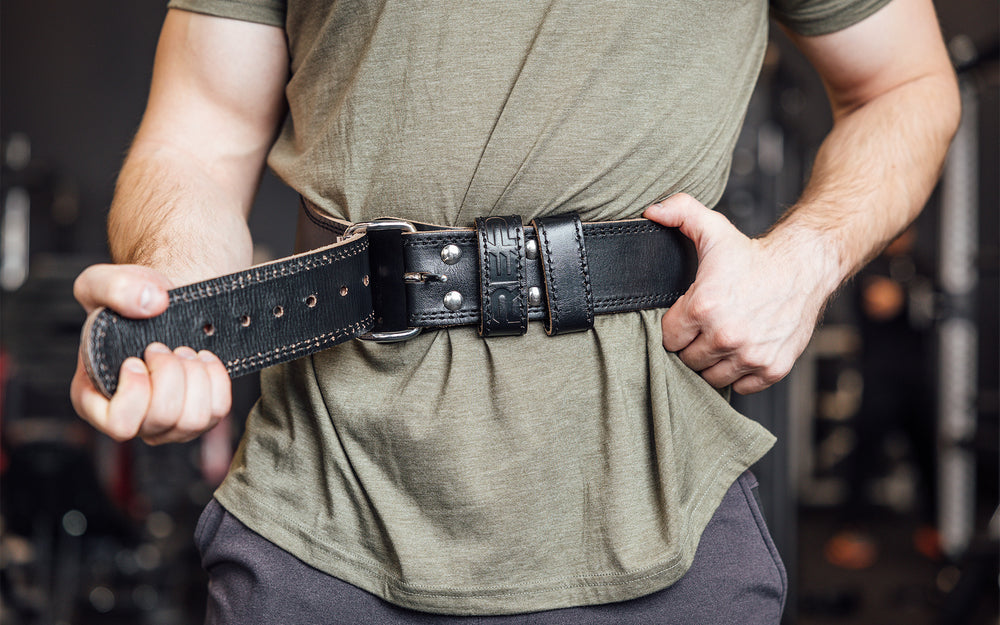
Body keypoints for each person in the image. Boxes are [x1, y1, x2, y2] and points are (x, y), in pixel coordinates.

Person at [69, 0, 959, 623]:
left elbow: (907, 83)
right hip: (319, 514)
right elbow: (201, 131)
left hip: (658, 515)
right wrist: (180, 301)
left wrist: (804, 261)